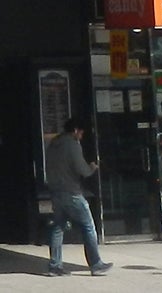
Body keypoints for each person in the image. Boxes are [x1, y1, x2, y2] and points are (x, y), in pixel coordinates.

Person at [44, 119, 112, 277]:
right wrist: (92, 168)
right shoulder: (72, 145)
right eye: (81, 132)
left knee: (58, 227)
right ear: (75, 130)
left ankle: (55, 265)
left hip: (56, 191)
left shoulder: (54, 144)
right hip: (72, 192)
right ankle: (96, 264)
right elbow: (82, 170)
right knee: (88, 226)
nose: (81, 136)